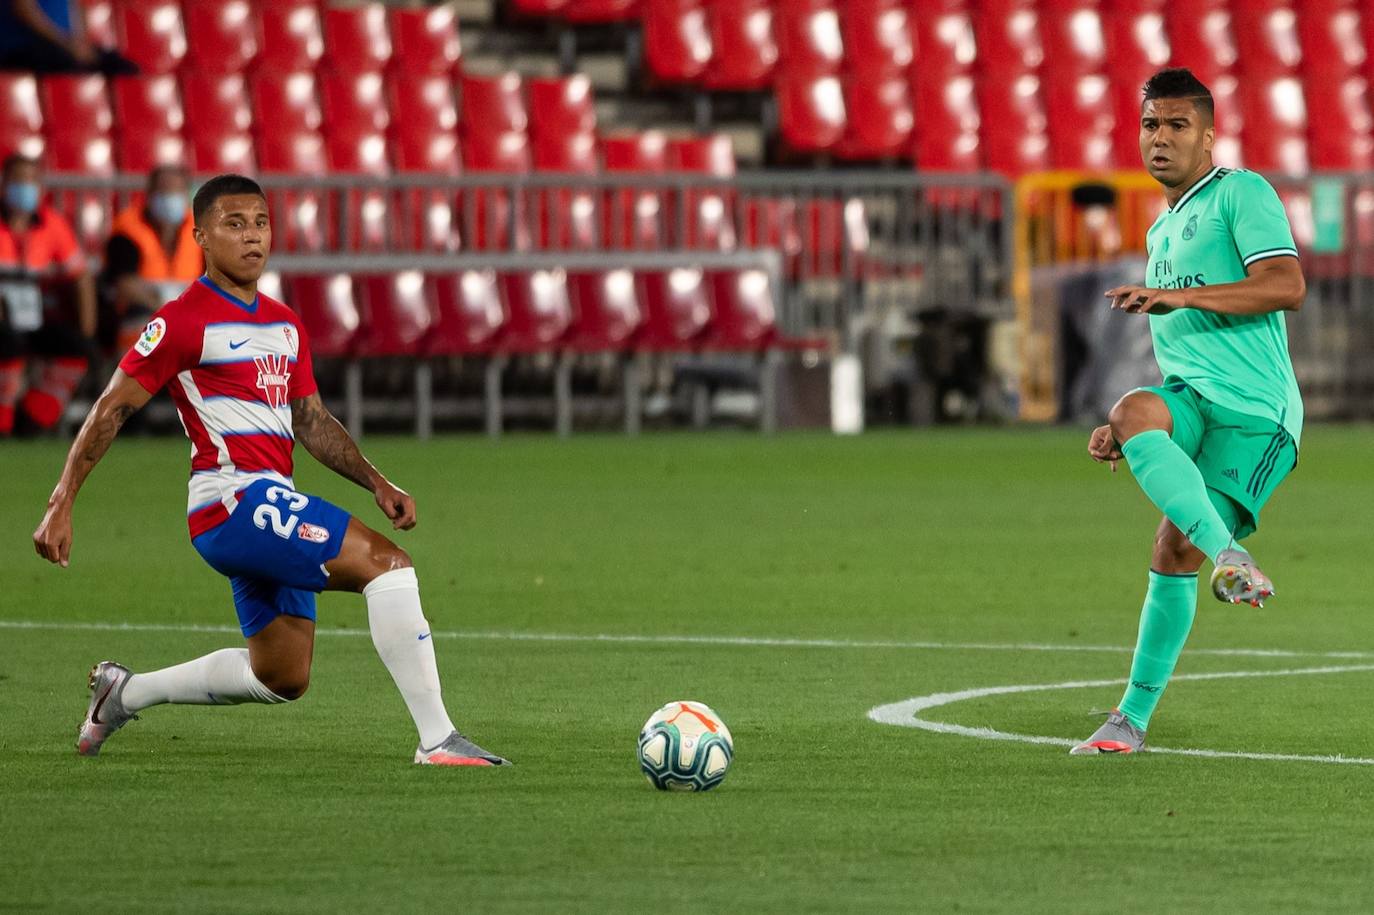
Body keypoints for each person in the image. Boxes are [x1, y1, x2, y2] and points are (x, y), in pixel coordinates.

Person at [32, 174, 509, 767]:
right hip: (231, 501)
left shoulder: (284, 324)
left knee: (281, 676)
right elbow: (111, 408)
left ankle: (123, 693)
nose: (252, 236)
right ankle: (438, 739)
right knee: (388, 566)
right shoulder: (182, 322)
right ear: (201, 237)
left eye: (260, 223)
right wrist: (61, 501)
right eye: (234, 224)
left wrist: (376, 481)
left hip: (269, 500)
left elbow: (311, 420)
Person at [1070, 68, 1306, 756]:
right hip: (1192, 397)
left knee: (1174, 548)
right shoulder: (1161, 229)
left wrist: (1184, 297)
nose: (1161, 138)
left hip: (1256, 413)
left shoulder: (1241, 193)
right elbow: (1186, 353)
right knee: (1131, 407)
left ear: (1208, 135)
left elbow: (1286, 284)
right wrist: (1130, 432)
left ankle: (1132, 716)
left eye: (1178, 125)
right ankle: (1229, 557)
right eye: (1151, 124)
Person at [0, 152, 95, 435]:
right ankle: (3, 421)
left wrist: (87, 328)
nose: (24, 188)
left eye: (31, 181)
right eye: (18, 181)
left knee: (77, 349)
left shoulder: (52, 224)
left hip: (34, 318)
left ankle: (34, 417)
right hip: (3, 324)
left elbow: (80, 275)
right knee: (8, 344)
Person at [101, 165, 202, 352]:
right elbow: (125, 284)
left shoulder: (200, 229)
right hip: (139, 314)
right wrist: (166, 306)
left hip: (190, 315)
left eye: (176, 191)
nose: (170, 197)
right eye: (164, 191)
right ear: (150, 194)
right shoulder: (127, 230)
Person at [0, 0, 137, 74]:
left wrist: (81, 44)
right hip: (24, 48)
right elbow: (23, 10)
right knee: (73, 68)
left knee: (123, 68)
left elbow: (75, 7)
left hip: (63, 47)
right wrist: (66, 43)